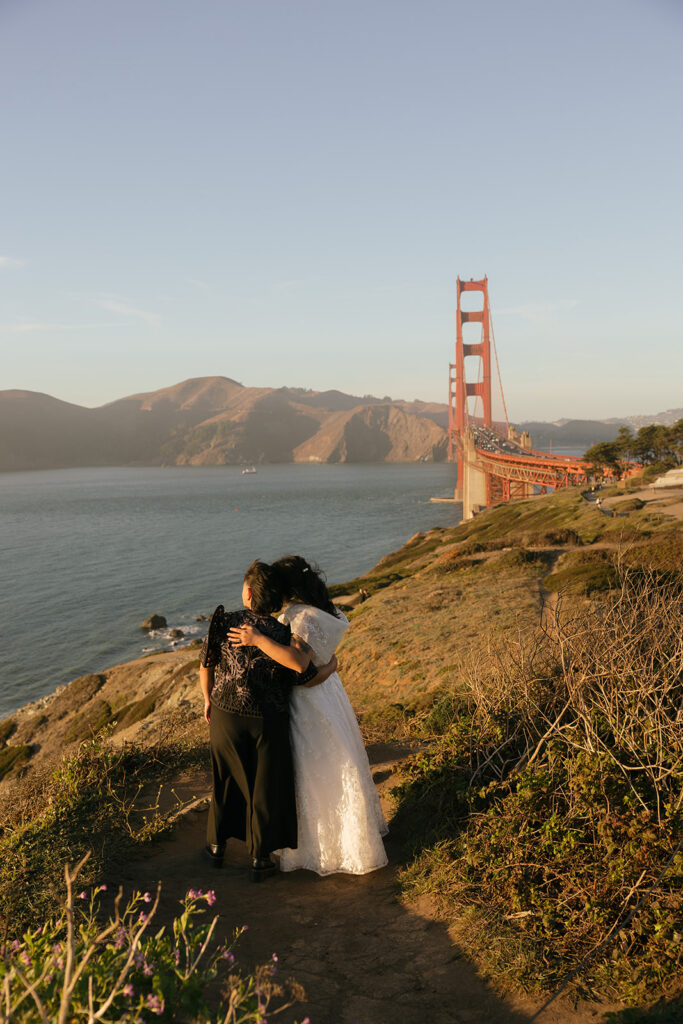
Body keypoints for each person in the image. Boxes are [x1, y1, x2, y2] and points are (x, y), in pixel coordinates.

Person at [228, 555, 388, 876]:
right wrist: (330, 668)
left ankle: (315, 849)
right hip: (330, 697)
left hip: (307, 702)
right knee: (334, 764)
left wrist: (257, 639)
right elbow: (320, 662)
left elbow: (299, 664)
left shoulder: (299, 617)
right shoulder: (328, 610)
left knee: (312, 771)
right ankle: (347, 841)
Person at [199, 559, 335, 882]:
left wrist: (207, 699)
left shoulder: (225, 621)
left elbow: (207, 662)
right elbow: (305, 676)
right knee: (264, 787)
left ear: (247, 593)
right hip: (267, 719)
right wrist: (332, 668)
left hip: (225, 713)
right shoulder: (281, 634)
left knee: (225, 780)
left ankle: (217, 848)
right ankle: (260, 859)